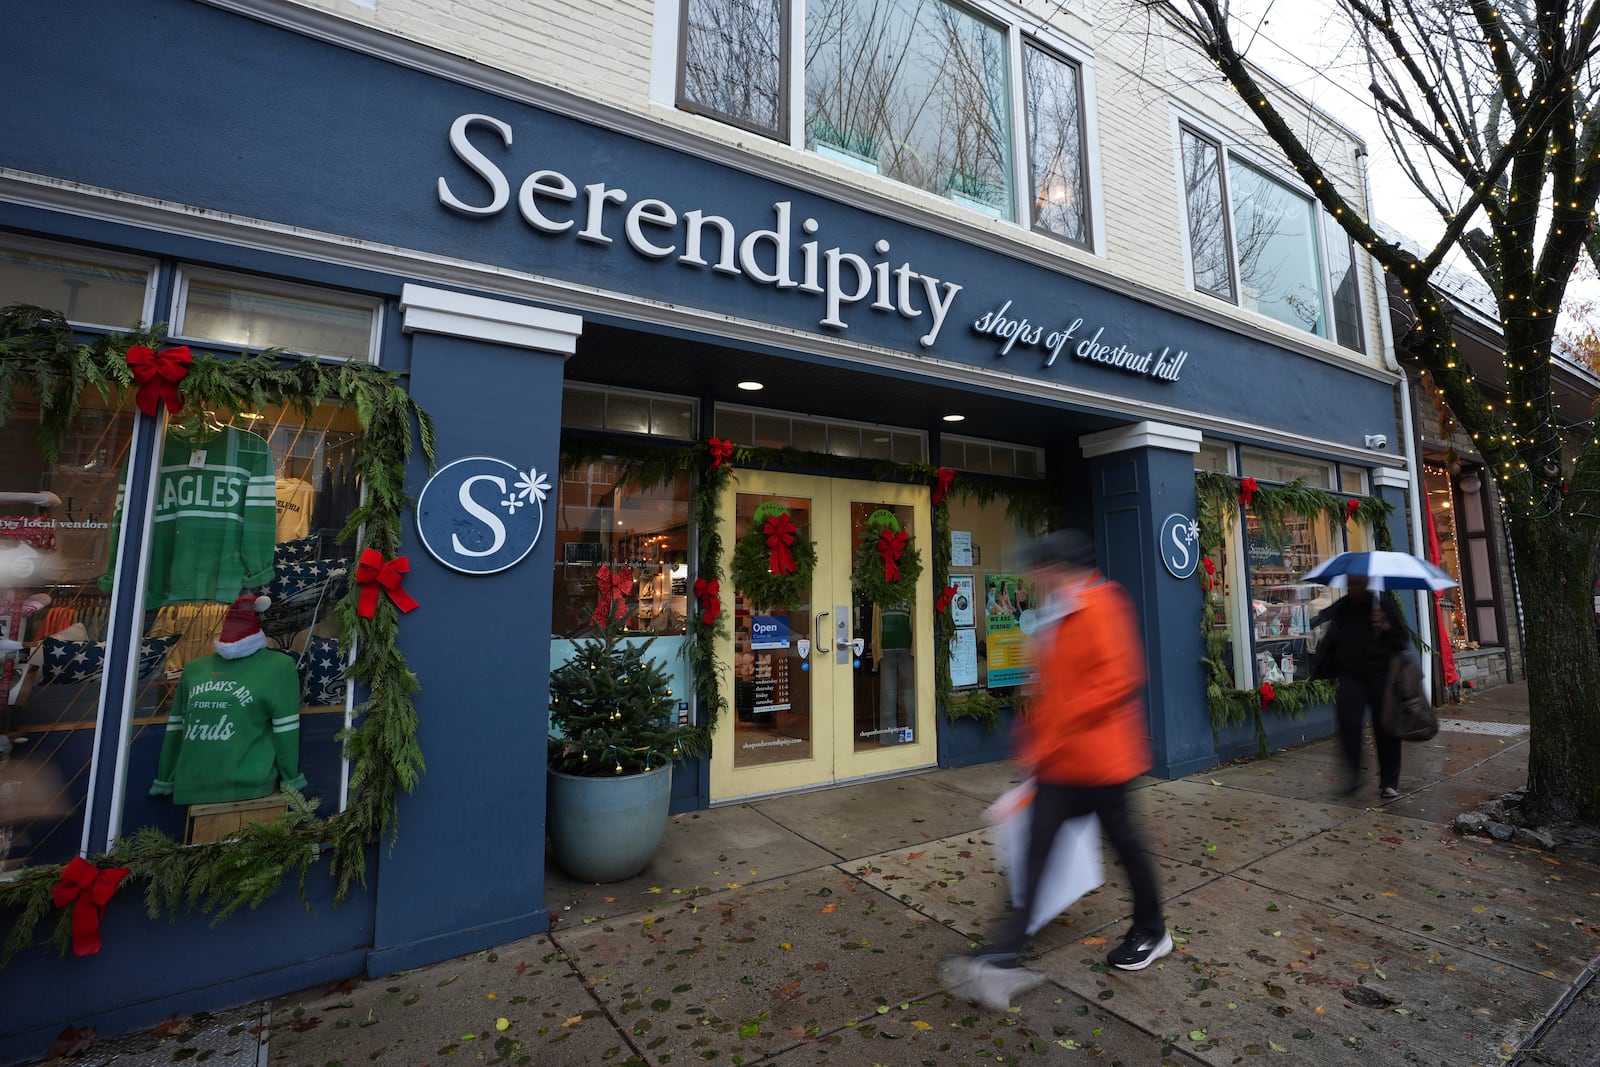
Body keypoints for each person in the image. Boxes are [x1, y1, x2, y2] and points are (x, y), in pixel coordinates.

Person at [941, 529, 1168, 1011]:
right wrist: (1036, 745)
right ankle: (1004, 954)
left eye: (1043, 568)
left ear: (1062, 567)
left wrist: (1058, 730)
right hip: (1062, 764)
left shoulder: (1103, 604)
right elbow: (1049, 689)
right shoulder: (1059, 610)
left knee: (1126, 846)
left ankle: (1152, 930)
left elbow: (1120, 678)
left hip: (1103, 762)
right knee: (1034, 853)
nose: (1037, 577)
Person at [1312, 574, 1409, 799]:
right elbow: (1332, 642)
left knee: (1386, 727)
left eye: (1356, 583)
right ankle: (1354, 776)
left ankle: (1389, 782)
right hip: (1351, 676)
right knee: (1348, 723)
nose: (1351, 587)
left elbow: (1401, 641)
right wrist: (1328, 672)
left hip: (1380, 675)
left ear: (1366, 583)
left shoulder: (1381, 606)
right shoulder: (1343, 608)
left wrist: (1384, 625)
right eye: (1349, 583)